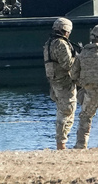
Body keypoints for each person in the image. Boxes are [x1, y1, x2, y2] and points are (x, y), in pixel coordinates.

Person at [44, 17, 77, 150]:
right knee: (67, 111)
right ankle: (61, 144)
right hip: (64, 82)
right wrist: (79, 58)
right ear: (66, 31)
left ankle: (61, 142)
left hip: (54, 81)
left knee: (62, 111)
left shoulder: (49, 43)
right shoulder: (60, 44)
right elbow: (68, 64)